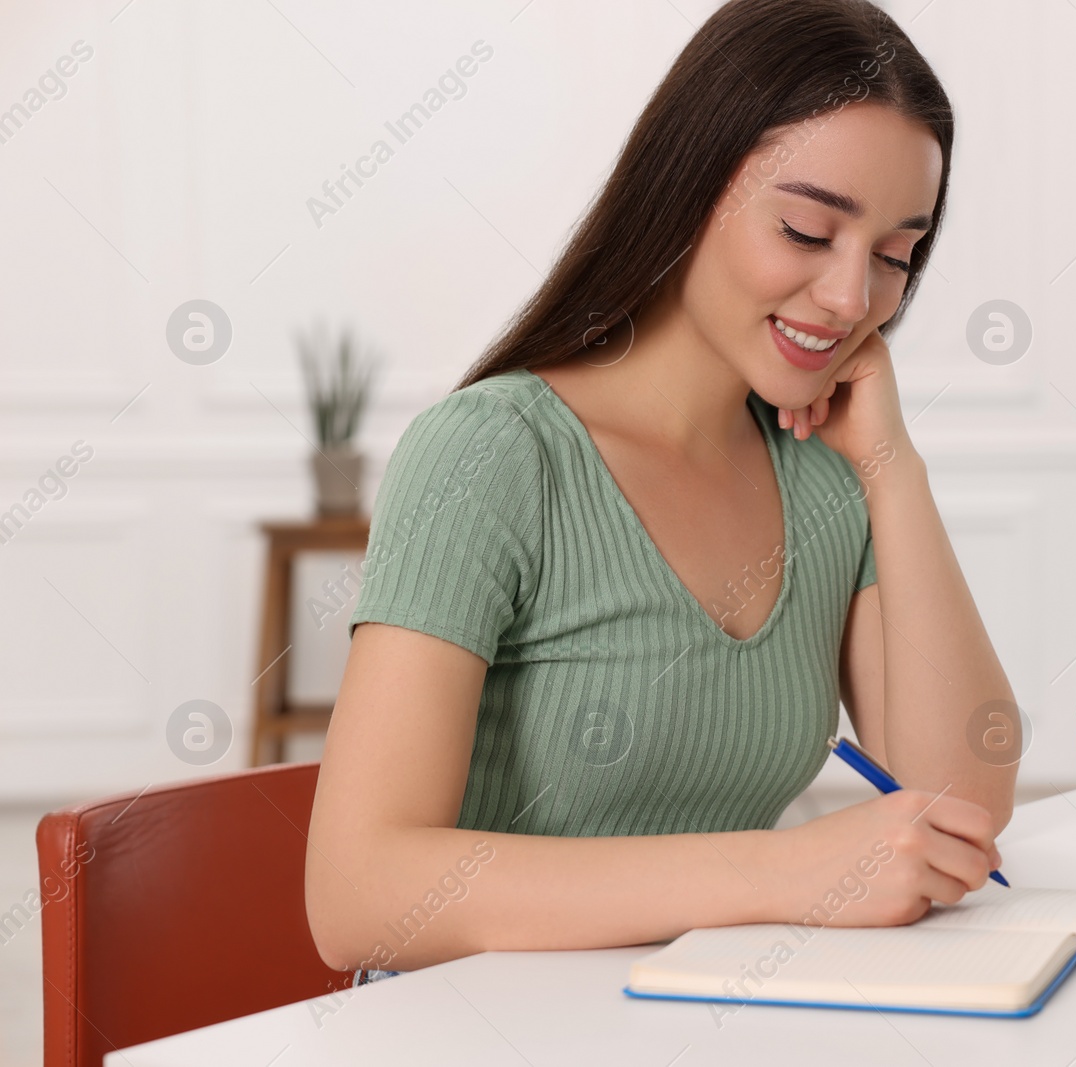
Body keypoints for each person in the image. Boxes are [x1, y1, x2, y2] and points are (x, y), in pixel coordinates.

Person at [305, 0, 1019, 983]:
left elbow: (956, 810)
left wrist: (893, 471)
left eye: (896, 254)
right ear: (687, 189)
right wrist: (780, 869)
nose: (855, 298)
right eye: (809, 230)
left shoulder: (823, 478)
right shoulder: (493, 455)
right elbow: (357, 896)